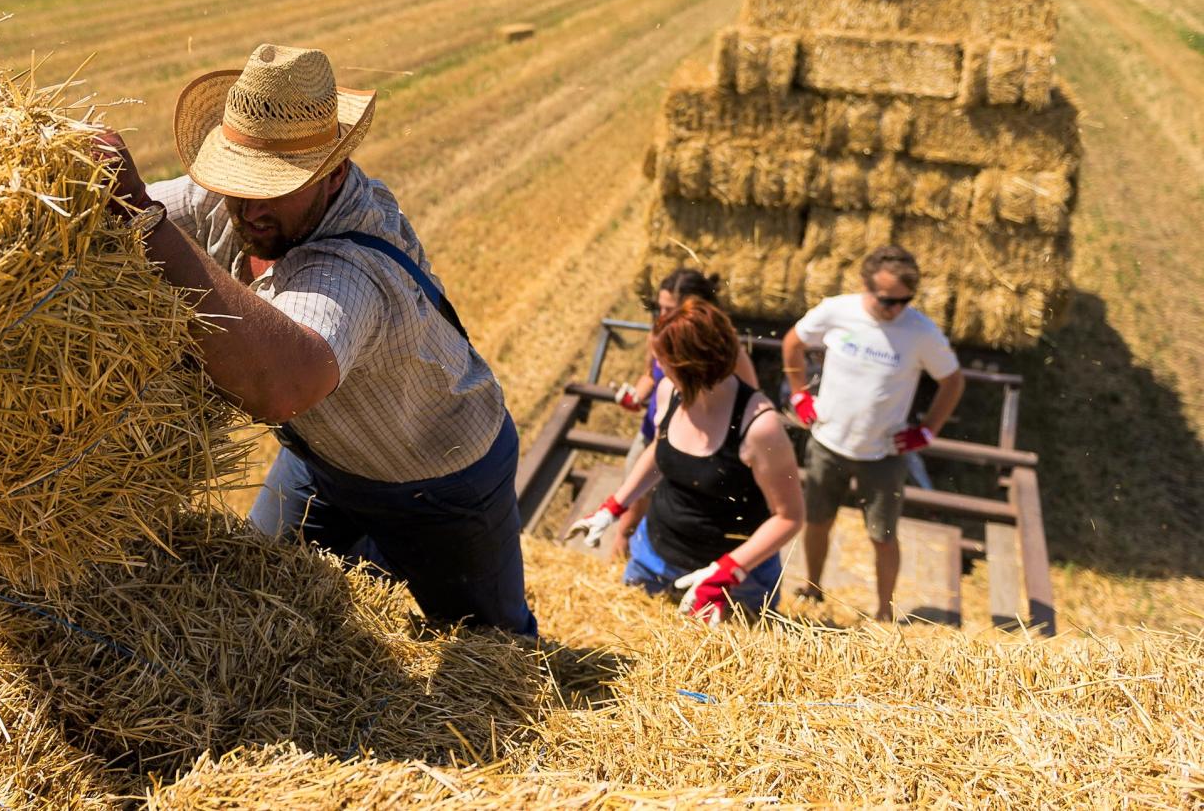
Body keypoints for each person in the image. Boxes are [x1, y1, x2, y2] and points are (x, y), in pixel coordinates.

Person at [95, 44, 536, 636]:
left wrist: (143, 224)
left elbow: (282, 383)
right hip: (325, 458)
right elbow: (126, 215)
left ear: (332, 173)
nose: (245, 209)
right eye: (236, 180)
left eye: (271, 187)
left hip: (441, 482)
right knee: (256, 593)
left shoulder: (354, 264)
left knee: (486, 642)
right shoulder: (238, 197)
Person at [581, 297, 804, 623]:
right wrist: (614, 506)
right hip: (653, 556)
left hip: (733, 582)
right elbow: (660, 451)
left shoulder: (761, 427)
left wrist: (725, 574)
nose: (658, 369)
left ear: (692, 367)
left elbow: (790, 517)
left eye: (664, 362)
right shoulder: (669, 392)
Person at [781, 245, 965, 622]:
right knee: (816, 521)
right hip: (828, 442)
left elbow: (953, 382)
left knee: (882, 535)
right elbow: (793, 343)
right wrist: (800, 395)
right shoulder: (837, 310)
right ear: (866, 286)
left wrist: (927, 432)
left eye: (904, 301)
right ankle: (812, 588)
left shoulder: (921, 332)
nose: (895, 309)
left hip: (883, 454)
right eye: (886, 300)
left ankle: (884, 612)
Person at [572, 268, 758, 552]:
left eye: (671, 310)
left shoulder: (729, 351)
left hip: (703, 447)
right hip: (654, 435)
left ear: (696, 309)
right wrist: (636, 396)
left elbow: (748, 401)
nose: (662, 317)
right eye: (660, 308)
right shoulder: (659, 335)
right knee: (630, 515)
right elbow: (650, 375)